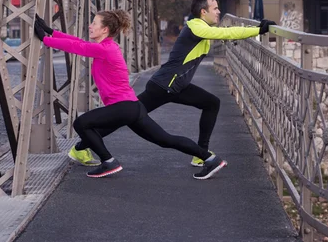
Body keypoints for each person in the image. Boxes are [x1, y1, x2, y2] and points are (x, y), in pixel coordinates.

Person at [33, 11, 227, 180]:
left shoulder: (104, 49)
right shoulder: (106, 47)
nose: (90, 26)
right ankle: (210, 159)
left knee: (81, 124)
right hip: (132, 107)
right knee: (166, 139)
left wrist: (45, 40)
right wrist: (51, 32)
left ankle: (108, 161)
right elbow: (80, 43)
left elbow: (78, 48)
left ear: (105, 30)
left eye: (94, 24)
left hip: (123, 107)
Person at [137, 0, 276, 167]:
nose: (219, 12)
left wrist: (248, 31)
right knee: (127, 114)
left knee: (211, 103)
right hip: (164, 85)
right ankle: (92, 138)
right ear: (203, 12)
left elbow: (225, 34)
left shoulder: (200, 27)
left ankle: (201, 154)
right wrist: (258, 30)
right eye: (215, 8)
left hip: (176, 85)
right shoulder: (195, 26)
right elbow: (226, 32)